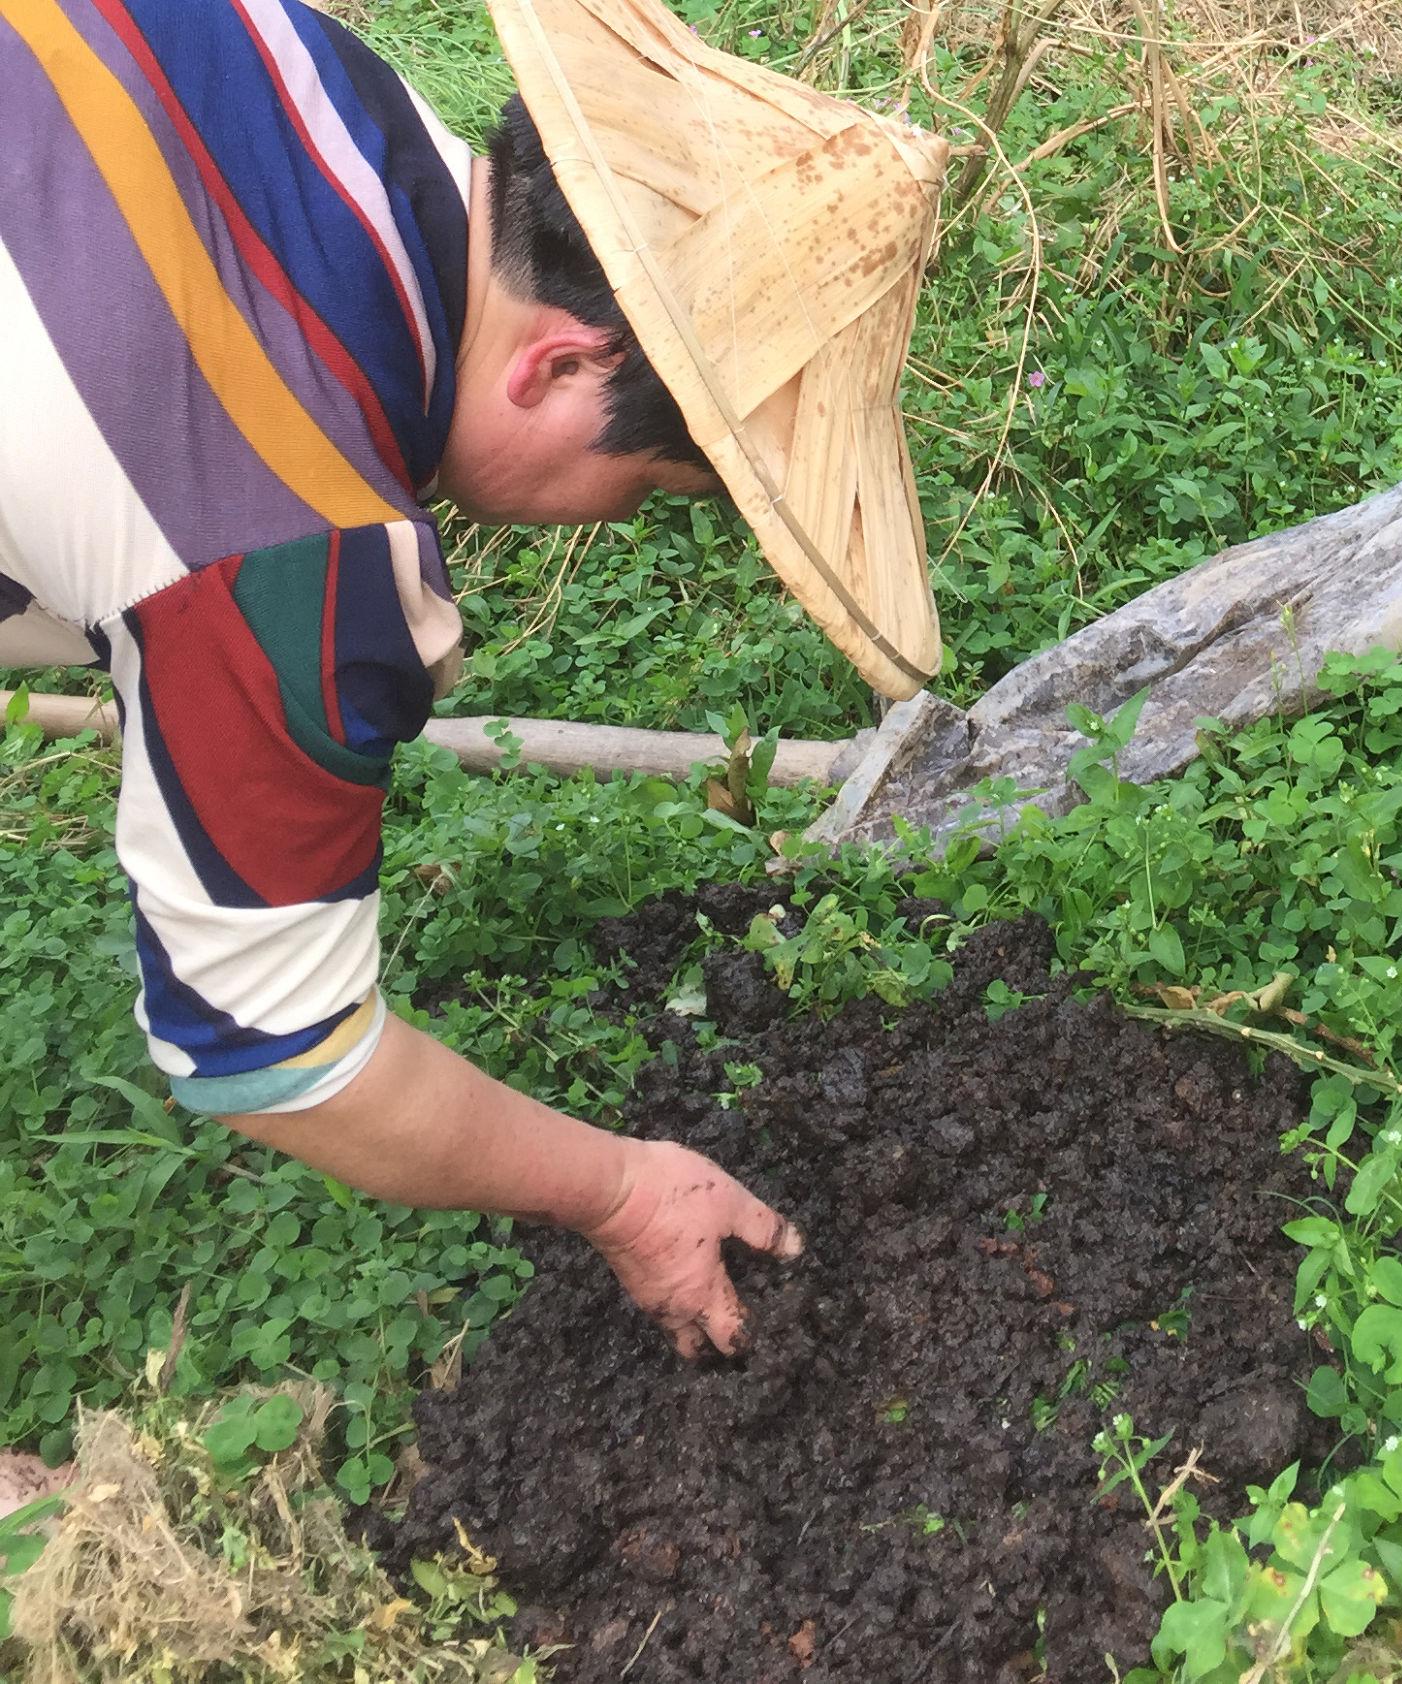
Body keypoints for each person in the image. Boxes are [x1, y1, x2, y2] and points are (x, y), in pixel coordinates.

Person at [0, 0, 929, 1359]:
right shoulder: (291, 534)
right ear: (562, 364)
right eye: (648, 489)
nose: (610, 524)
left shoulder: (276, 49)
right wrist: (621, 1190)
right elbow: (279, 1057)